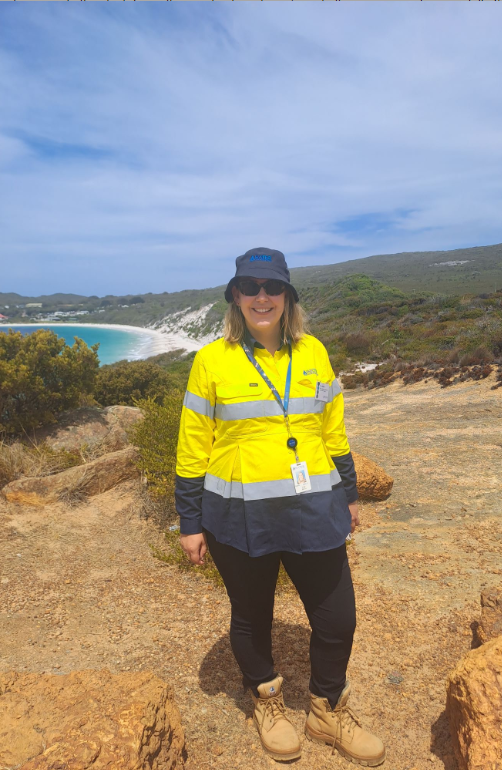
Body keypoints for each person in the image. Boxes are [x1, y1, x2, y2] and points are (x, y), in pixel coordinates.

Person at [175, 247, 385, 766]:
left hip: (313, 507)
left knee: (338, 618)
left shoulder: (313, 351)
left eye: (273, 288)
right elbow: (192, 445)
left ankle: (326, 709)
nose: (262, 297)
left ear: (288, 297)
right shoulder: (212, 360)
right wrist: (189, 521)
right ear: (236, 297)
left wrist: (350, 492)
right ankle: (268, 700)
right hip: (237, 516)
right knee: (252, 615)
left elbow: (333, 428)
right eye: (250, 287)